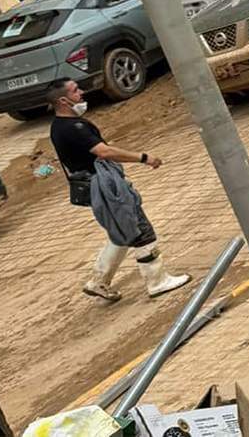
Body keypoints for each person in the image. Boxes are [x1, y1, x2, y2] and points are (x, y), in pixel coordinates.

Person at [47, 79, 191, 302]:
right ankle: (157, 281)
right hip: (105, 185)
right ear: (64, 101)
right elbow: (104, 152)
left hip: (94, 184)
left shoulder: (57, 126)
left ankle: (99, 282)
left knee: (121, 229)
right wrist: (143, 158)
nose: (82, 93)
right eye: (76, 91)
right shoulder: (74, 128)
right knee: (139, 228)